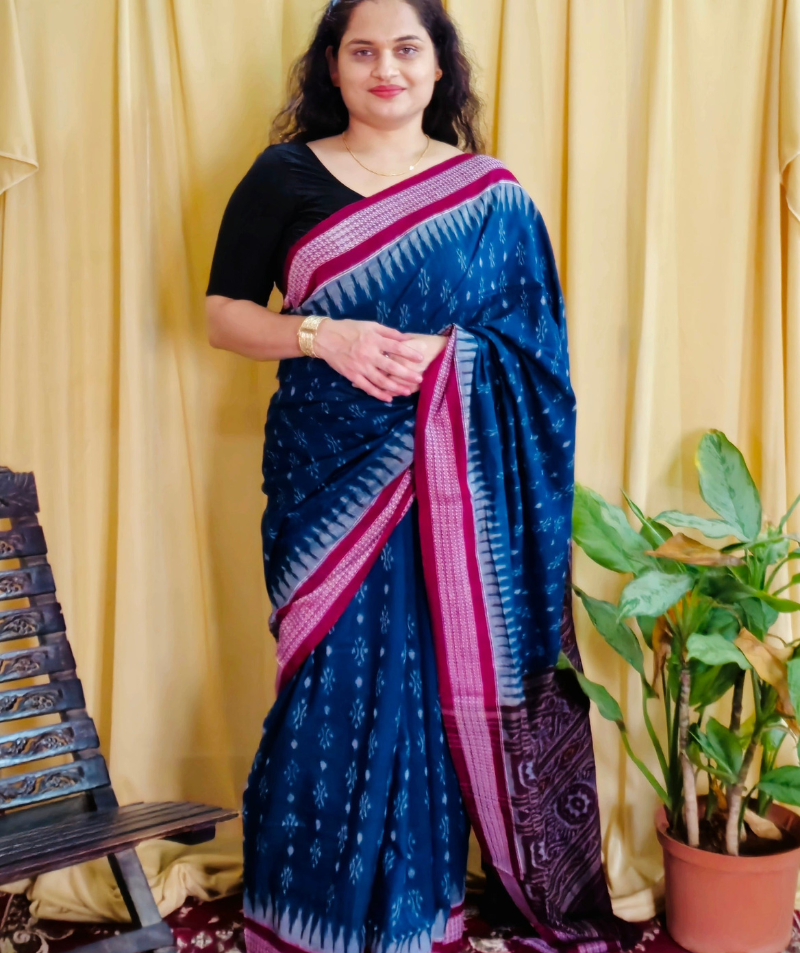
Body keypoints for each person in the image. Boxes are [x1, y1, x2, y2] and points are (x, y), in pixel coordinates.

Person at [205, 2, 641, 952]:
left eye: (407, 49)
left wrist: (454, 364)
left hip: (455, 482)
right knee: (325, 685)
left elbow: (537, 360)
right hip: (327, 471)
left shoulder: (491, 197)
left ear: (440, 67)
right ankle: (303, 917)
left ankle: (413, 913)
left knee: (429, 681)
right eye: (362, 51)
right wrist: (323, 335)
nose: (385, 69)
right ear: (332, 66)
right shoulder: (283, 175)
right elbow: (223, 315)